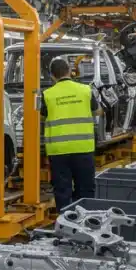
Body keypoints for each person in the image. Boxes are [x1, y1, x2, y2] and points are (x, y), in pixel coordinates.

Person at [42, 58, 99, 210]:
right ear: (70, 72)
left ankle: (66, 222)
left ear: (52, 76)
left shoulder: (47, 94)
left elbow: (42, 116)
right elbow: (97, 111)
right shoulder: (85, 90)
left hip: (58, 150)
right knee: (85, 189)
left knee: (62, 190)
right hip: (83, 147)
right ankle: (85, 222)